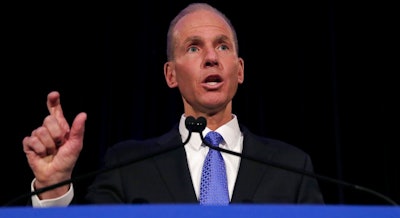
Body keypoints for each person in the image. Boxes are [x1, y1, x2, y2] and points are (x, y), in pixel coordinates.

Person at [22, 2, 324, 207]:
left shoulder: (292, 168)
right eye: (194, 47)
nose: (211, 57)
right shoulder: (128, 166)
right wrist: (54, 187)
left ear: (240, 69)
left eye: (222, 46)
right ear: (170, 75)